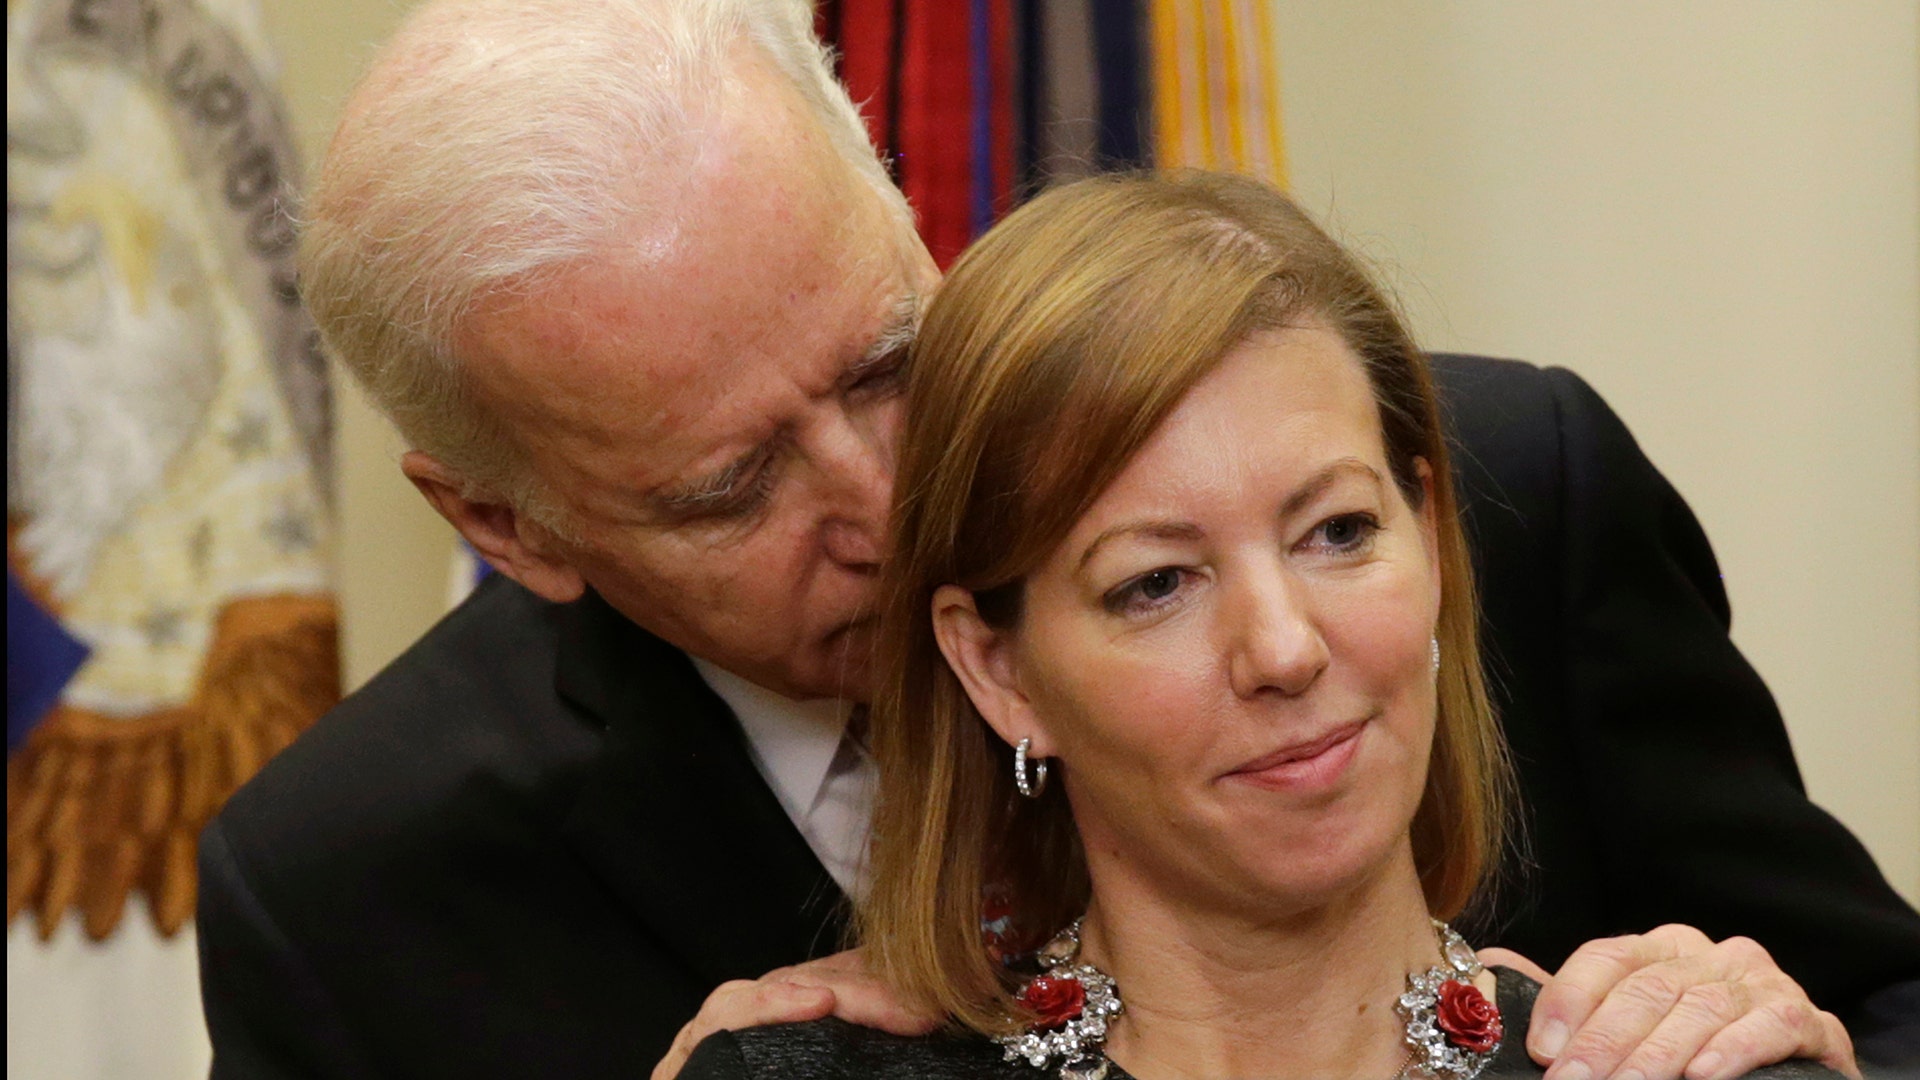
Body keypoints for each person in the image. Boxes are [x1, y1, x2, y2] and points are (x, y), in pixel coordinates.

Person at [194, 2, 1920, 1078]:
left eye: (886, 359)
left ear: (901, 203)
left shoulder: (1499, 495)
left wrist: (1768, 1038)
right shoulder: (352, 889)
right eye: (731, 488)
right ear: (508, 523)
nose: (884, 496)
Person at [675, 168, 1854, 1080]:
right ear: (998, 670)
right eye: (1156, 585)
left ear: (1430, 537)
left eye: (1338, 532)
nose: (1285, 648)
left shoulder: (1696, 1058)